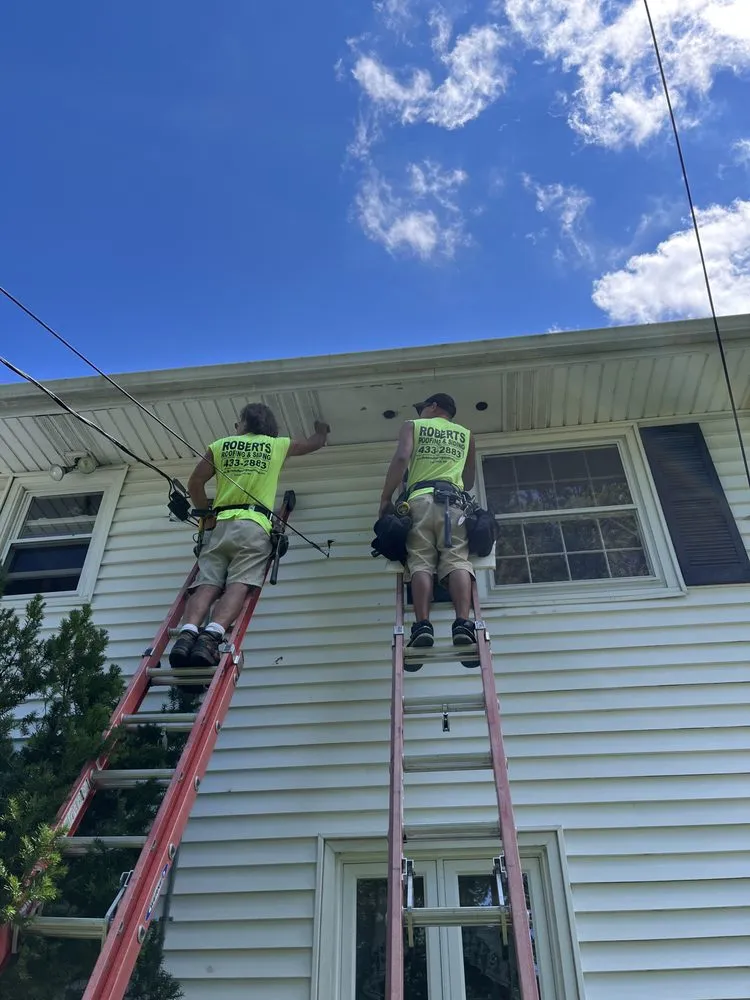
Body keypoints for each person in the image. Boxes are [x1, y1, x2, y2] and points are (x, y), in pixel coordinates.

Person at [170, 403, 329, 669]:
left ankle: (187, 634)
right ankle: (211, 636)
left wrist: (206, 517)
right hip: (254, 525)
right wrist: (321, 431)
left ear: (245, 422)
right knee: (238, 584)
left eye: (238, 422)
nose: (236, 427)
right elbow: (313, 444)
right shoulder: (276, 445)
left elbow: (195, 482)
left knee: (207, 583)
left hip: (219, 525)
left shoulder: (220, 445)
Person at [378, 392, 476, 666]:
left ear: (433, 406)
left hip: (420, 500)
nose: (421, 412)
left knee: (420, 560)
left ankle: (422, 626)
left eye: (423, 408)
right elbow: (468, 481)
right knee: (457, 560)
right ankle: (463, 625)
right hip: (454, 503)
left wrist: (385, 497)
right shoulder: (467, 434)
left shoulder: (413, 425)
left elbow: (401, 459)